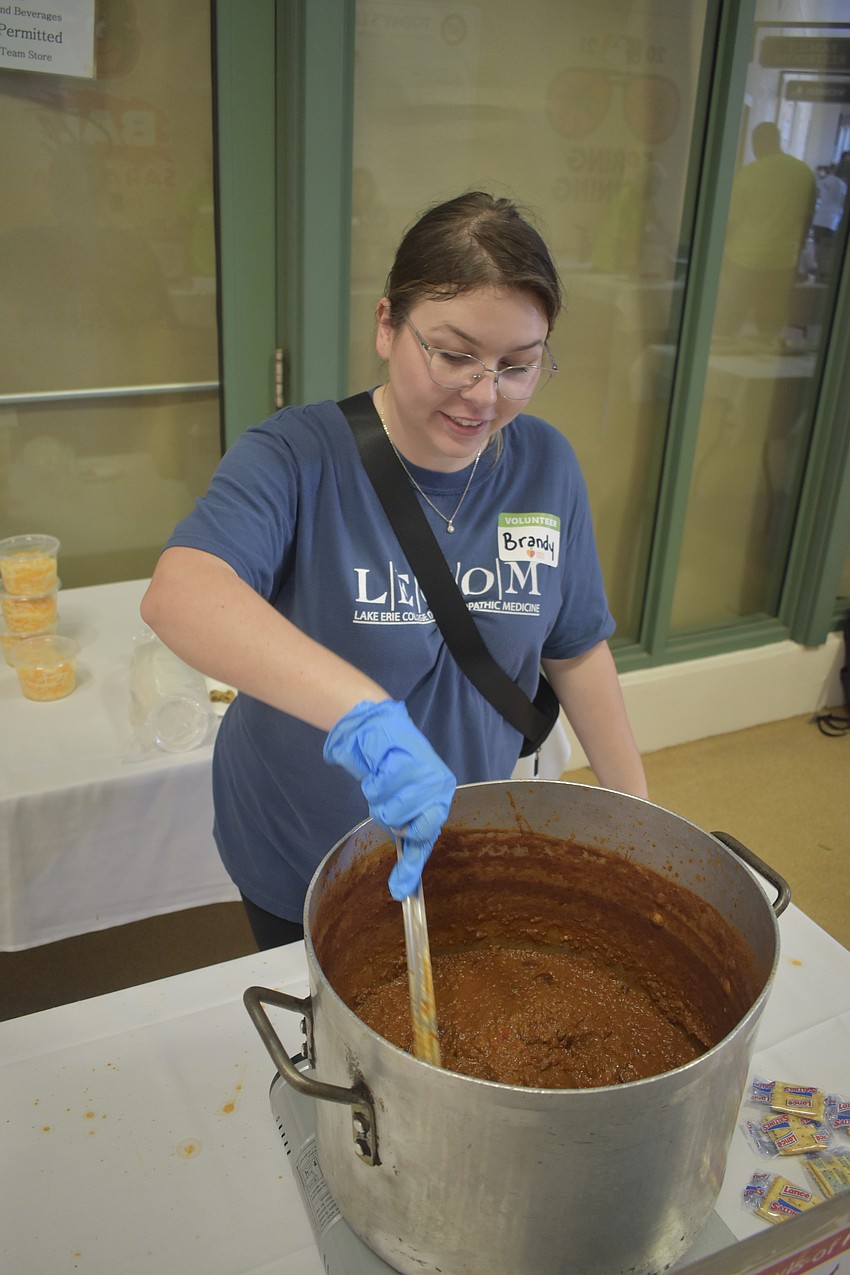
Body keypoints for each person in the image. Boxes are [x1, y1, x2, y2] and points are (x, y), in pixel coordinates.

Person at [140, 191, 648, 950]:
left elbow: (574, 647)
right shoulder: (295, 454)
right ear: (386, 325)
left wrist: (638, 821)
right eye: (454, 355)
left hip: (460, 837)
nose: (484, 395)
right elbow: (180, 593)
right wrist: (365, 715)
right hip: (302, 845)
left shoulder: (546, 465)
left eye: (519, 366)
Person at [714, 121, 816, 339]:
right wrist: (796, 254)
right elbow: (807, 218)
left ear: (756, 143)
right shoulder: (803, 173)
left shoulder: (748, 174)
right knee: (769, 327)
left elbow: (732, 222)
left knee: (728, 323)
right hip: (782, 260)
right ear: (778, 140)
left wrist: (722, 257)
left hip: (745, 258)